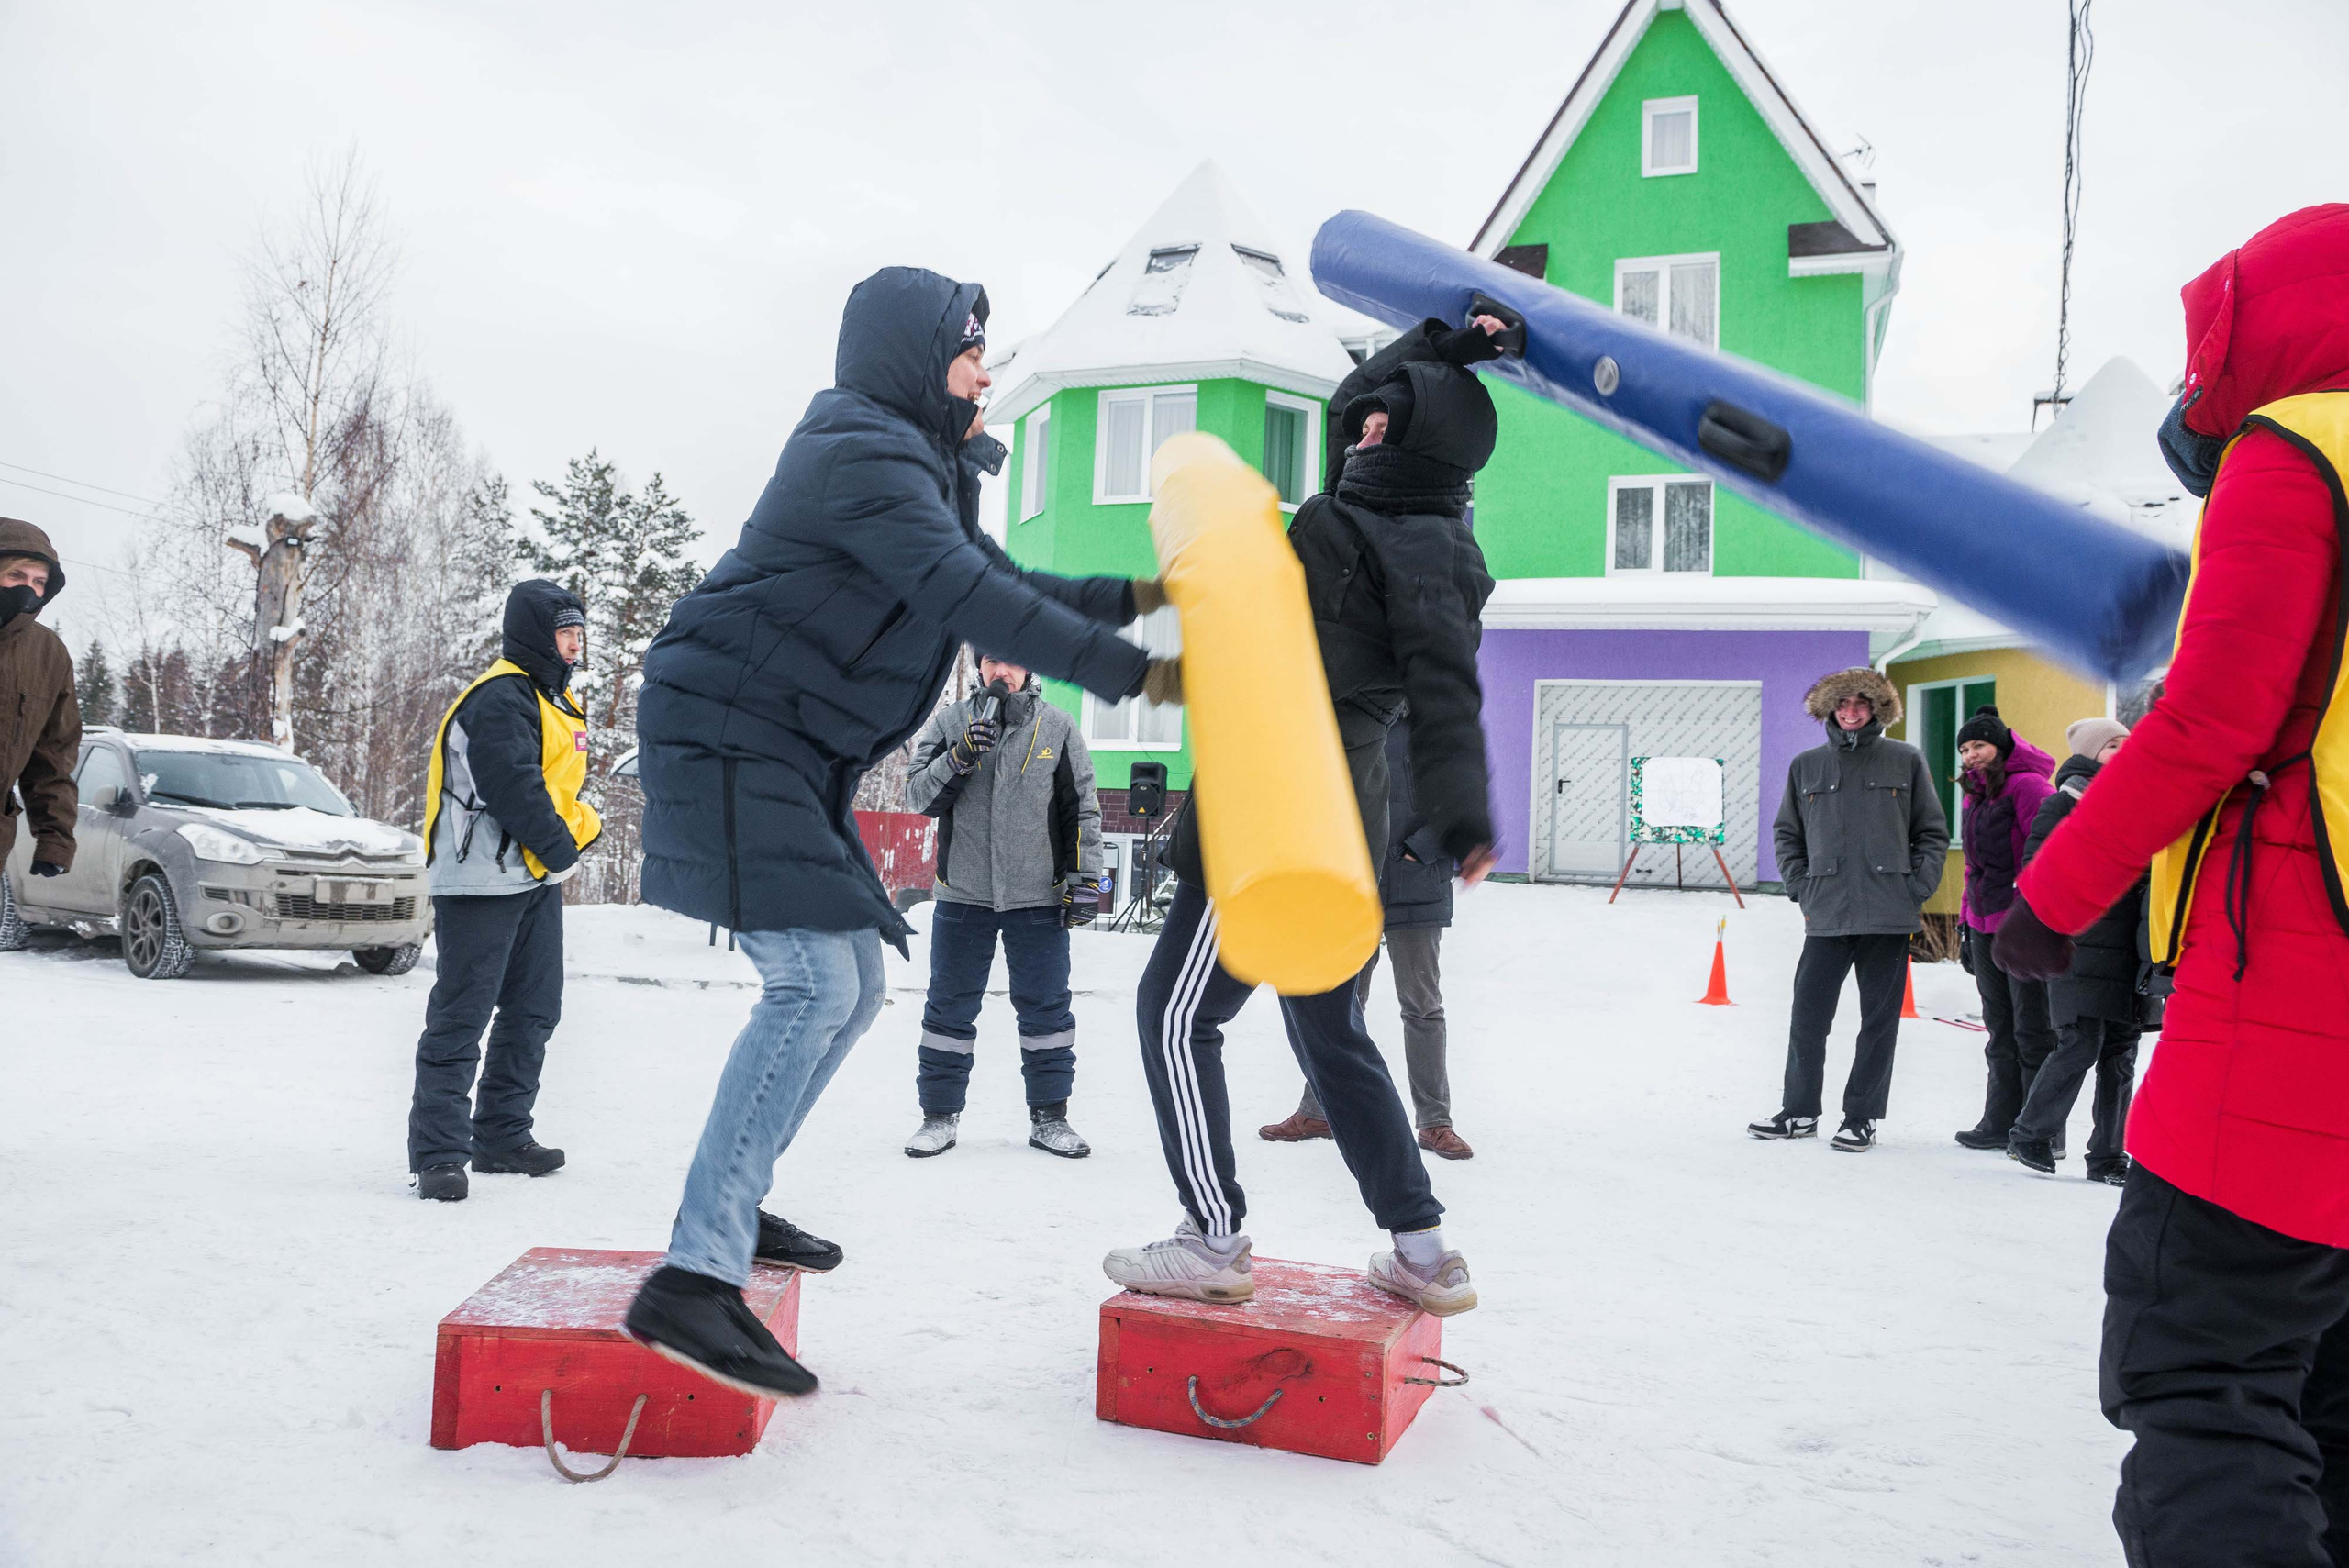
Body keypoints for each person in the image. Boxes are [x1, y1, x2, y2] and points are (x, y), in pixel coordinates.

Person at [625, 268, 1172, 1398]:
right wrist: (1149, 676)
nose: (984, 375)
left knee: (856, 983)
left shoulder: (908, 462)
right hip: (729, 728)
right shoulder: (858, 452)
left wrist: (1141, 596)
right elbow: (968, 596)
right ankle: (692, 1274)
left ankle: (733, 1199)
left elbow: (1000, 577)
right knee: (811, 981)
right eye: (970, 353)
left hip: (785, 744)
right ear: (915, 358)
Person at [1994, 204, 2349, 1563]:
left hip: (2293, 1012)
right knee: (2331, 1400)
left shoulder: (2297, 448)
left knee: (2206, 1380)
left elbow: (2211, 719)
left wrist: (2051, 897)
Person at [1103, 308, 1517, 1317]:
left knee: (1175, 1016)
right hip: (1309, 806)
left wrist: (1463, 813)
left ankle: (1211, 1236)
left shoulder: (1429, 549)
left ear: (1420, 446)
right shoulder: (1360, 499)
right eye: (1371, 416)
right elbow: (1350, 402)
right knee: (1330, 1031)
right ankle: (1422, 1249)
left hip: (1279, 806)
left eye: (1388, 421)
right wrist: (1441, 345)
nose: (1364, 425)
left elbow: (1447, 692)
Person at [406, 580, 602, 1202]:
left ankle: (501, 1134)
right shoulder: (499, 697)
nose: (575, 645)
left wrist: (574, 836)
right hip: (478, 879)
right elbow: (513, 786)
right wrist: (564, 849)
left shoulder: (551, 699)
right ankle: (440, 1153)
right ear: (536, 636)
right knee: (462, 1014)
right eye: (566, 634)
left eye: (579, 634)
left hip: (531, 874)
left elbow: (556, 789)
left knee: (534, 1007)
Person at [902, 650, 1101, 1160]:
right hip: (963, 894)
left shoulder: (1057, 726)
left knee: (1047, 1011)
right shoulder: (951, 723)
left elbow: (1081, 809)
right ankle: (939, 1118)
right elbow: (918, 797)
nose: (1002, 672)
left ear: (1030, 669)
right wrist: (959, 756)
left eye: (1014, 661)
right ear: (979, 668)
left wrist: (1084, 880)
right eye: (992, 661)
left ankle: (1050, 1118)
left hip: (1037, 897)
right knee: (948, 1010)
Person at [1747, 668, 1948, 1151]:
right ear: (1830, 710)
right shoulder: (1806, 766)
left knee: (1878, 1023)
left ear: (1876, 708)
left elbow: (1931, 832)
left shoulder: (1906, 759)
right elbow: (1787, 834)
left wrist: (1914, 889)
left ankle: (1862, 1117)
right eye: (1843, 704)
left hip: (1889, 914)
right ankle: (1799, 1112)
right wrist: (1802, 887)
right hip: (1827, 913)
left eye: (1861, 703)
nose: (1851, 712)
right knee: (1808, 1018)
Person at [1261, 720, 1472, 1159]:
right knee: (1340, 1006)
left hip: (1418, 885)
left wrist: (1420, 849)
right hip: (1354, 887)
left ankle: (1435, 1123)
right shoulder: (1354, 722)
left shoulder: (1434, 725)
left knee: (1422, 1007)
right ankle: (1318, 1110)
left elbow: (1460, 799)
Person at [2003, 718, 2148, 1183]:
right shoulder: (2062, 804)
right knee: (2080, 1042)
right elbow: (2036, 870)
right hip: (2079, 943)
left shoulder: (2140, 803)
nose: (2123, 750)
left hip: (2130, 947)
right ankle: (2030, 1133)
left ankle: (2108, 1155)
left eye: (2127, 743)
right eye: (2112, 745)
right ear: (2089, 753)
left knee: (2121, 1052)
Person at [1947, 706, 2058, 1153]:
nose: (1971, 755)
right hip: (1983, 923)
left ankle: (2040, 1131)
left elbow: (2048, 854)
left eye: (1979, 745)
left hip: (2022, 926)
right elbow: (1972, 867)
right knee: (1999, 1028)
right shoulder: (1974, 794)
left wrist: (2033, 917)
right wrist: (1964, 925)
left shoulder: (2029, 787)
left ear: (2001, 746)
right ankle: (1999, 1121)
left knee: (2032, 1029)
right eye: (1965, 749)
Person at [0, 520, 79, 918]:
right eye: (16, 575)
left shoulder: (48, 654)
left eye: (38, 581)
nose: (27, 589)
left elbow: (53, 754)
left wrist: (55, 838)